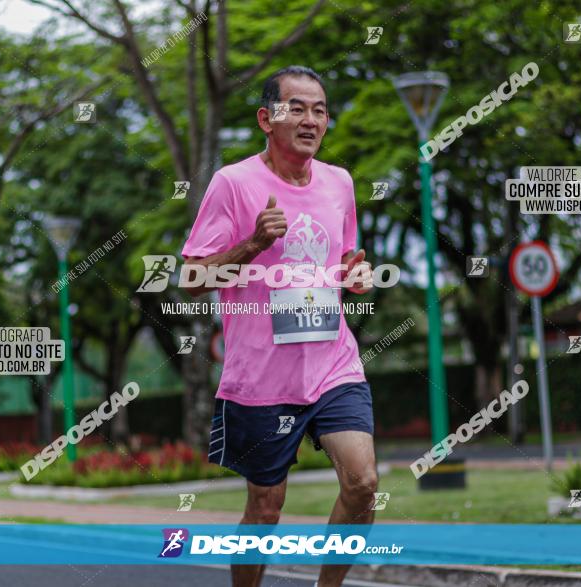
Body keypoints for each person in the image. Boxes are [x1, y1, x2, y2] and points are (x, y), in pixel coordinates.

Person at [181, 65, 377, 587]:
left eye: (320, 109)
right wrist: (251, 245)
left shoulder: (340, 183)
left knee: (363, 484)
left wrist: (354, 279)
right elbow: (193, 279)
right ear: (267, 119)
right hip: (262, 379)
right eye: (298, 108)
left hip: (333, 363)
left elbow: (339, 266)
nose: (311, 119)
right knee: (266, 509)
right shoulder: (234, 184)